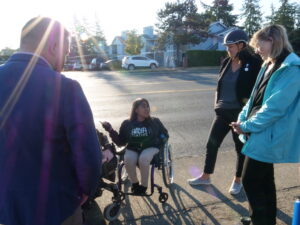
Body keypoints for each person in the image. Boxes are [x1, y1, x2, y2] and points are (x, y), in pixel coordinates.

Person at [0, 16, 102, 225]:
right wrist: (86, 190)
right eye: (66, 52)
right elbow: (89, 157)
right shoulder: (65, 89)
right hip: (56, 208)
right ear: (54, 46)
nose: (65, 59)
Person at [231, 24, 300, 225]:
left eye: (259, 45)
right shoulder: (269, 64)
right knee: (264, 181)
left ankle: (260, 220)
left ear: (272, 41)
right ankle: (262, 219)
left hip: (269, 132)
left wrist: (247, 126)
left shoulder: (292, 69)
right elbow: (254, 98)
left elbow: (275, 108)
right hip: (258, 129)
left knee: (250, 180)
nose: (257, 50)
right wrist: (242, 119)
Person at [187, 29, 262, 195]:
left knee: (240, 148)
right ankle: (206, 176)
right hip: (222, 113)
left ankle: (238, 180)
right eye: (227, 46)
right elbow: (219, 86)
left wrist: (250, 115)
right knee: (211, 144)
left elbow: (258, 91)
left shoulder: (254, 62)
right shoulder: (226, 62)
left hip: (240, 115)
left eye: (231, 46)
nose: (228, 49)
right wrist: (216, 104)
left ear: (241, 45)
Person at [102, 98, 168, 195]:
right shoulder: (127, 124)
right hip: (134, 147)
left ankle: (144, 186)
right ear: (136, 110)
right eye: (143, 106)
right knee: (128, 159)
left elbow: (165, 135)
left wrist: (159, 141)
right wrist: (111, 130)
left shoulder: (154, 122)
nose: (147, 109)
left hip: (151, 147)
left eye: (147, 106)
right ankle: (135, 184)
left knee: (143, 158)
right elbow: (121, 142)